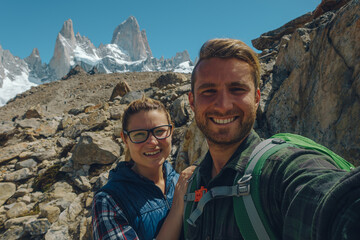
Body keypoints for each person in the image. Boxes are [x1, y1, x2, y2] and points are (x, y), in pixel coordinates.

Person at [183, 38, 360, 239]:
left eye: (237, 89)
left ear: (257, 98)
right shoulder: (193, 184)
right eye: (208, 91)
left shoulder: (280, 170)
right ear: (192, 101)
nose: (223, 105)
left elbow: (330, 200)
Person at [92, 96, 195, 240]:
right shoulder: (109, 201)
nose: (152, 142)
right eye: (139, 134)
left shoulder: (179, 181)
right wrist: (177, 207)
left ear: (171, 131)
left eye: (160, 131)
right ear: (125, 139)